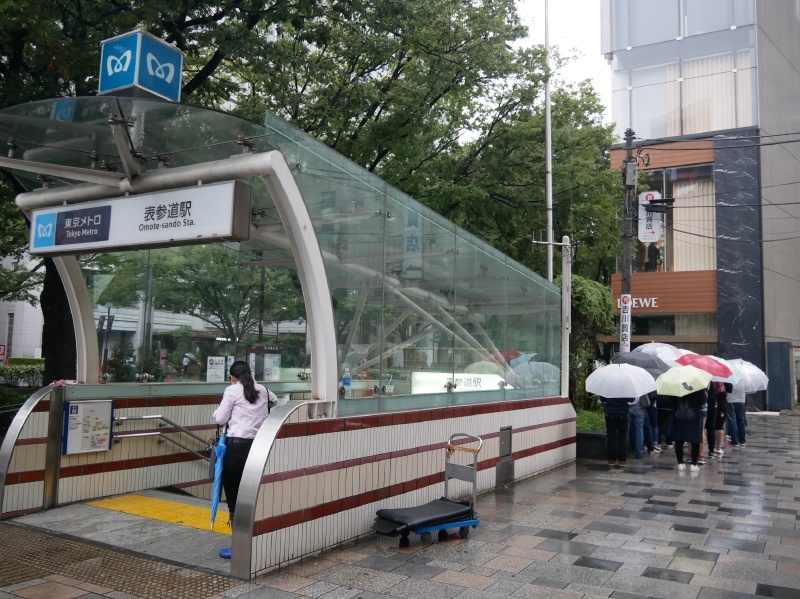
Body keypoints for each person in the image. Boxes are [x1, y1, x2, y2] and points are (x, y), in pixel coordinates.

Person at [213, 360, 277, 559]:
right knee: (253, 496)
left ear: (232, 377)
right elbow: (275, 402)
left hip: (235, 450)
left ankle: (239, 546)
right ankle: (254, 542)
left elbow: (220, 419)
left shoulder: (232, 391)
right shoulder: (263, 389)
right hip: (258, 447)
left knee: (234, 499)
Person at [666, 388, 707, 473]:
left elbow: (671, 400)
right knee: (695, 440)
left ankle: (680, 463)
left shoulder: (676, 386)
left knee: (678, 440)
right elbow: (703, 402)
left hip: (678, 416)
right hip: (694, 417)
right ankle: (694, 464)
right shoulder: (698, 387)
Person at [599, 395, 630, 468]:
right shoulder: (625, 386)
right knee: (622, 437)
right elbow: (631, 399)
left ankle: (611, 460)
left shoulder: (608, 385)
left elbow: (602, 398)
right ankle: (622, 460)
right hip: (623, 414)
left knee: (611, 436)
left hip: (610, 414)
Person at [727, 382, 747, 447]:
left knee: (732, 420)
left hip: (730, 400)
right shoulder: (744, 375)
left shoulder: (729, 375)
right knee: (741, 420)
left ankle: (735, 441)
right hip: (741, 400)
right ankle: (742, 440)